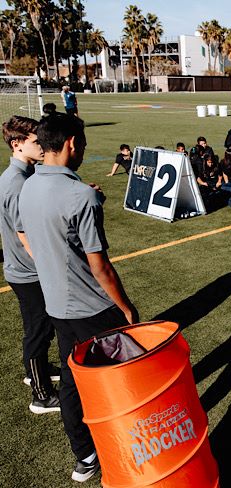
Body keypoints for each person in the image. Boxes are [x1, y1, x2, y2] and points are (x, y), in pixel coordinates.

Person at [19, 113, 139, 483]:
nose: (83, 150)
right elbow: (100, 266)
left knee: (72, 381)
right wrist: (127, 308)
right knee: (123, 380)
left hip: (57, 305)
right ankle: (129, 450)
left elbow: (28, 236)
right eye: (82, 144)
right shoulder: (80, 195)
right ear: (71, 143)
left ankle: (84, 456)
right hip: (94, 309)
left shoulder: (28, 186)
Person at [0, 116, 60, 414]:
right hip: (28, 271)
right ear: (17, 144)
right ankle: (41, 395)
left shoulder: (21, 177)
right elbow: (27, 238)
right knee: (38, 329)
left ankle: (35, 370)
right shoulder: (16, 184)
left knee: (39, 327)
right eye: (36, 142)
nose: (42, 146)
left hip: (23, 268)